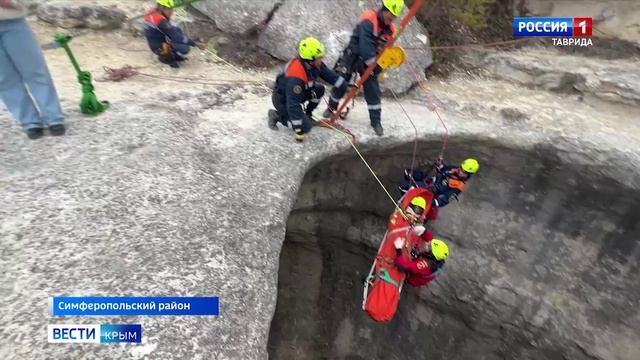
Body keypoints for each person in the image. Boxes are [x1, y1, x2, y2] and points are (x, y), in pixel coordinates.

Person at [323, 0, 405, 137]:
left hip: (370, 60)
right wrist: (375, 64)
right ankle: (331, 108)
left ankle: (376, 121)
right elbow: (365, 47)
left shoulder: (390, 30)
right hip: (353, 54)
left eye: (394, 17)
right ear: (384, 10)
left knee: (372, 88)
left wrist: (380, 65)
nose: (391, 19)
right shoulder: (369, 20)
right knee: (340, 81)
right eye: (390, 16)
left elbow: (384, 51)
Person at [0, 0, 65, 139]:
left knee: (35, 70)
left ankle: (54, 118)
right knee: (4, 78)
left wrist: (13, 2)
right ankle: (30, 122)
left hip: (12, 21)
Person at [268, 37, 347, 143]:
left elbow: (331, 77)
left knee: (319, 89)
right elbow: (293, 105)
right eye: (319, 57)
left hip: (299, 94)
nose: (322, 58)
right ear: (310, 60)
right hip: (283, 100)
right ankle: (277, 116)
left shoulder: (314, 64)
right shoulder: (296, 76)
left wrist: (342, 84)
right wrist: (298, 130)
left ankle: (308, 114)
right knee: (306, 127)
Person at [399, 158, 479, 220]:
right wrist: (439, 165)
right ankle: (405, 198)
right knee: (408, 173)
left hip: (430, 193)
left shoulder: (458, 186)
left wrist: (432, 201)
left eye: (463, 171)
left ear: (468, 174)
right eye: (461, 167)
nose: (460, 170)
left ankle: (406, 204)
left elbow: (445, 199)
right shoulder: (454, 169)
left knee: (405, 186)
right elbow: (443, 168)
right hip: (429, 181)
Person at [144, 0, 205, 68]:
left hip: (159, 40)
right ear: (162, 8)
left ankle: (173, 55)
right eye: (170, 9)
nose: (172, 11)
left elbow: (172, 33)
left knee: (176, 29)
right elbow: (177, 38)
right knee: (184, 48)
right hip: (159, 47)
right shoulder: (161, 20)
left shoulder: (154, 13)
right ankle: (166, 59)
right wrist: (195, 43)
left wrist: (194, 40)